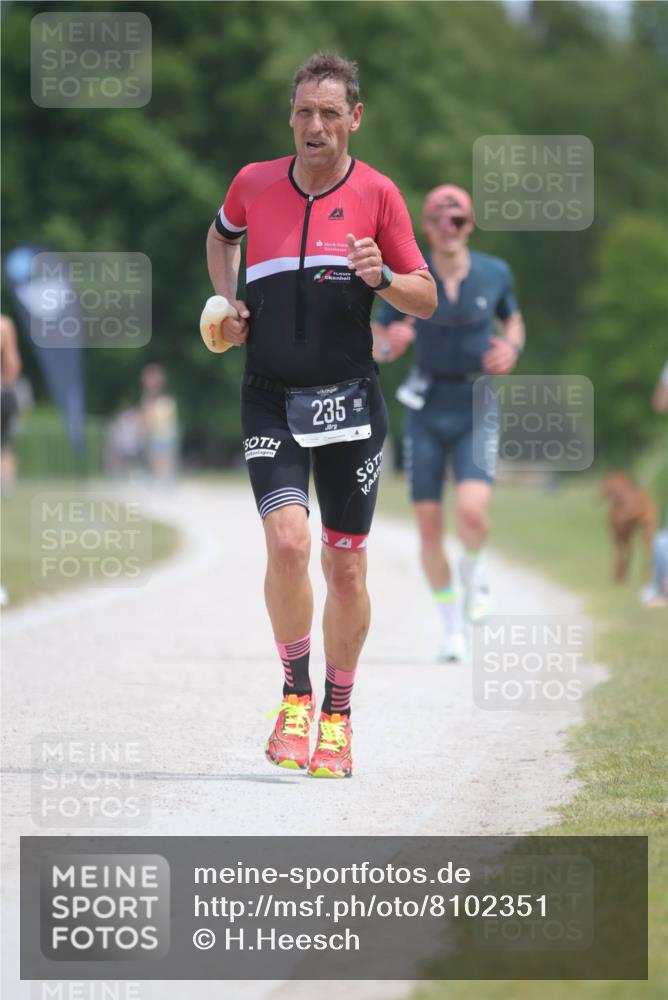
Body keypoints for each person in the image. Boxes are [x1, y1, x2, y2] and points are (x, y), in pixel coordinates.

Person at [206, 52, 436, 777]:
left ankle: (338, 716)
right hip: (269, 393)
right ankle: (295, 697)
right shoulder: (253, 183)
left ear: (354, 120)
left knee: (345, 568)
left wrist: (385, 277)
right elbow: (221, 237)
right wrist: (228, 300)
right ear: (291, 116)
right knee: (286, 544)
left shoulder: (379, 195)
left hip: (350, 402)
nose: (315, 125)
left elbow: (426, 296)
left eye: (330, 113)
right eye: (305, 111)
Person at [372, 185, 524, 661]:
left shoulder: (495, 272)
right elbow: (378, 336)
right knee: (430, 528)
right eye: (439, 219)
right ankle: (449, 625)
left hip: (476, 401)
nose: (448, 227)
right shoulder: (410, 276)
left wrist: (512, 348)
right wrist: (388, 344)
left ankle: (475, 567)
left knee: (472, 512)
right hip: (426, 403)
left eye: (457, 219)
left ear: (470, 224)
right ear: (427, 227)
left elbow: (513, 321)